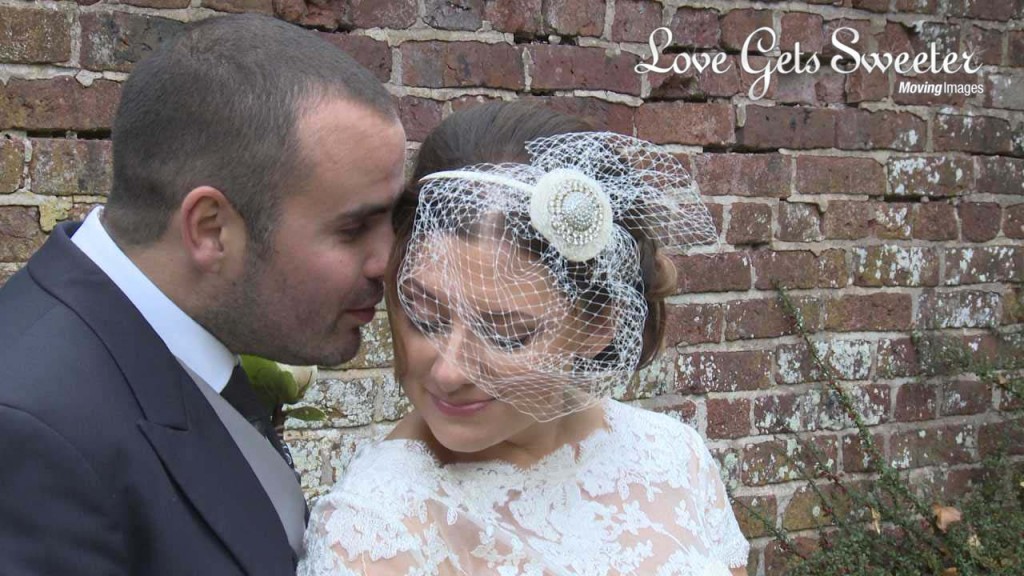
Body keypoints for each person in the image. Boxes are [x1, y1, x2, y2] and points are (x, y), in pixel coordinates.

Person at [0, 14, 405, 576]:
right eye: (354, 228)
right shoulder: (30, 434)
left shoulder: (176, 333)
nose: (387, 263)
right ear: (211, 229)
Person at [299, 103, 749, 575]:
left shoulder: (675, 457)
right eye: (423, 315)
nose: (448, 372)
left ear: (600, 325)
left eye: (507, 334)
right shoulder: (373, 534)